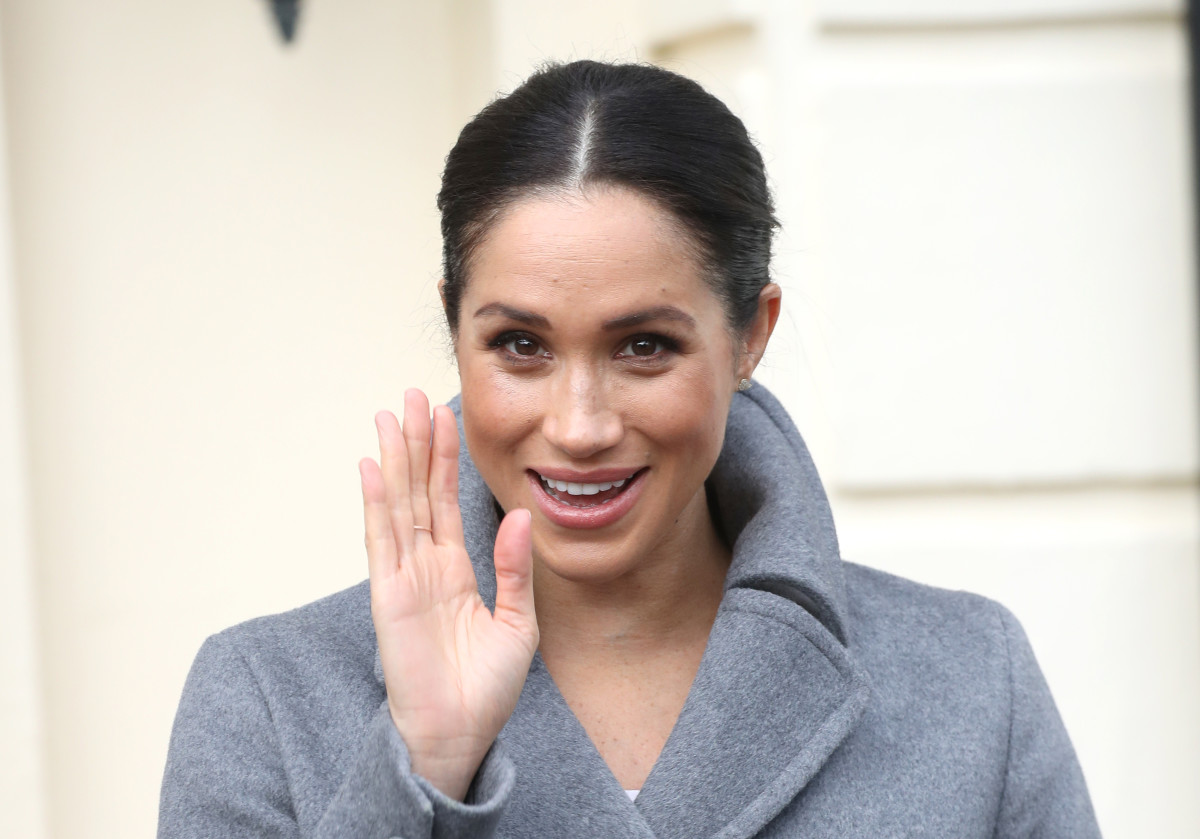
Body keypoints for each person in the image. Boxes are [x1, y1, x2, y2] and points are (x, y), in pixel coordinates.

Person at [158, 60, 1100, 838]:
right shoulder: (266, 699)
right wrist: (420, 771)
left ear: (749, 335)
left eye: (644, 345)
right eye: (519, 345)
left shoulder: (973, 680)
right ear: (455, 329)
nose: (579, 424)